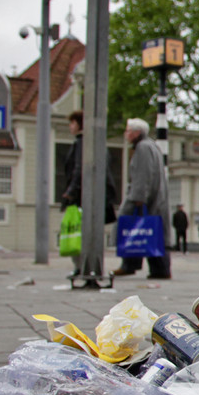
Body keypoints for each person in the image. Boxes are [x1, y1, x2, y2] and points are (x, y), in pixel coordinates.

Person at [59, 110, 120, 278]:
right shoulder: (93, 144)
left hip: (81, 197)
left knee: (81, 231)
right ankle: (84, 265)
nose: (70, 127)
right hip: (89, 196)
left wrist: (71, 191)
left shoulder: (82, 144)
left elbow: (79, 168)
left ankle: (82, 265)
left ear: (80, 124)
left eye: (72, 123)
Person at [112, 118, 171, 280]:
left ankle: (130, 264)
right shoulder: (152, 146)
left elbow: (142, 175)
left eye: (128, 130)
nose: (126, 134)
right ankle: (159, 268)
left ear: (137, 132)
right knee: (154, 233)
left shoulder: (143, 148)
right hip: (156, 199)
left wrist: (139, 198)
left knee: (131, 228)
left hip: (146, 199)